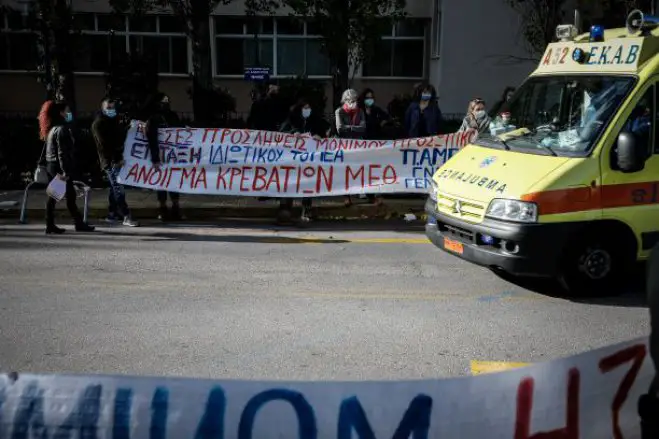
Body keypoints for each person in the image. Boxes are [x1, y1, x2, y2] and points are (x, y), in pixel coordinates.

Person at [39, 100, 95, 234]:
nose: (70, 113)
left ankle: (69, 223)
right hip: (59, 167)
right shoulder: (61, 129)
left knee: (67, 196)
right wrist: (65, 171)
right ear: (61, 113)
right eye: (68, 111)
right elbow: (62, 152)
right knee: (57, 197)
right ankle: (67, 224)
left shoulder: (52, 128)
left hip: (52, 165)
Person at [278, 99, 329, 223]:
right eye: (305, 108)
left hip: (308, 161)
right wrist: (293, 133)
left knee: (307, 183)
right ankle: (285, 209)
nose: (307, 110)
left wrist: (319, 136)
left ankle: (306, 209)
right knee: (289, 183)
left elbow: (325, 131)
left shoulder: (315, 120)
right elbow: (282, 132)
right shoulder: (291, 120)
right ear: (299, 109)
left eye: (309, 108)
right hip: (292, 160)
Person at [92, 98, 139, 227]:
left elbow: (119, 138)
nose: (112, 110)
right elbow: (105, 145)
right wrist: (116, 160)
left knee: (114, 188)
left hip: (116, 160)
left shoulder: (114, 122)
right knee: (119, 189)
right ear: (103, 109)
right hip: (110, 162)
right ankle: (126, 215)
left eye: (113, 108)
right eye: (109, 108)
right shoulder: (98, 124)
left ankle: (112, 213)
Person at [145, 92, 182, 221]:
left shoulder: (172, 116)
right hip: (160, 157)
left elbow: (179, 130)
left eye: (167, 101)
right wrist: (155, 159)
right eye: (163, 101)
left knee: (174, 182)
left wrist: (186, 130)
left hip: (173, 156)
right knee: (161, 182)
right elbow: (152, 140)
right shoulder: (153, 119)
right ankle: (162, 209)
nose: (166, 104)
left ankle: (176, 208)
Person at [335, 89, 366, 207]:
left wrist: (350, 128)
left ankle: (362, 192)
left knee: (359, 169)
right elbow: (340, 129)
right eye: (350, 100)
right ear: (345, 101)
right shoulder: (340, 111)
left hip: (358, 146)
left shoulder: (360, 112)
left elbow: (363, 128)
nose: (353, 102)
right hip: (345, 146)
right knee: (346, 171)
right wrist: (354, 127)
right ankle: (347, 196)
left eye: (354, 100)